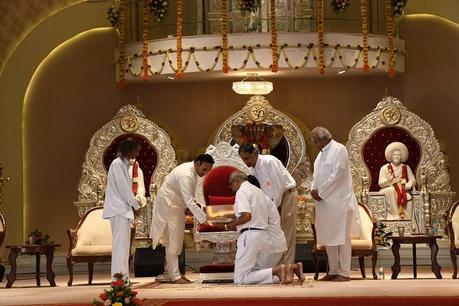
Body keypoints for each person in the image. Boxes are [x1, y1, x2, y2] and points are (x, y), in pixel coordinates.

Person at [226, 171, 304, 285]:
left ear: (236, 181)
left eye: (231, 185)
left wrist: (230, 225)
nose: (232, 189)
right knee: (257, 273)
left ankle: (277, 270)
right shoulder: (261, 193)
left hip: (249, 236)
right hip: (265, 237)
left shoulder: (242, 191)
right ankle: (290, 268)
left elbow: (247, 216)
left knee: (240, 279)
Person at [150, 154, 215, 284]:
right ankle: (175, 276)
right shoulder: (186, 174)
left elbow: (192, 198)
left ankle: (171, 273)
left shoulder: (191, 171)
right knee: (173, 241)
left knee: (174, 240)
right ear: (197, 164)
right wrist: (205, 220)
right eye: (204, 169)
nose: (206, 173)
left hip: (175, 206)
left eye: (208, 170)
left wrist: (204, 210)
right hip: (170, 206)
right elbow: (189, 201)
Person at [310, 127, 361, 282]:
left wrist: (321, 191)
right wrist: (313, 189)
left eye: (315, 140)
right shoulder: (320, 155)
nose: (314, 144)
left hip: (340, 201)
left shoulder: (339, 149)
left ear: (325, 139)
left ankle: (344, 273)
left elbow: (337, 175)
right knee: (329, 237)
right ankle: (333, 271)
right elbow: (316, 176)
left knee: (342, 237)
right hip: (324, 203)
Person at [238, 144, 298, 265]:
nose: (246, 162)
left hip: (286, 196)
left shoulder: (269, 161)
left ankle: (288, 267)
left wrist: (274, 208)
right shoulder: (252, 170)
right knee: (276, 233)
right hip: (273, 203)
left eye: (247, 158)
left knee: (287, 233)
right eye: (243, 159)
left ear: (255, 154)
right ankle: (279, 266)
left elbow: (279, 187)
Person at [102, 138, 142, 281]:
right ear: (128, 149)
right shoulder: (117, 164)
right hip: (119, 210)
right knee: (120, 247)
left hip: (122, 210)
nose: (137, 153)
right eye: (136, 150)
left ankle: (122, 279)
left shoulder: (124, 165)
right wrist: (135, 206)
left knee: (124, 248)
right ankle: (119, 280)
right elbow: (124, 189)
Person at [378, 142, 416, 220]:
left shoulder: (406, 167)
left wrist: (410, 183)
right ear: (391, 156)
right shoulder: (385, 168)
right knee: (391, 190)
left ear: (401, 156)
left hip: (402, 190)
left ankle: (408, 221)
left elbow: (413, 180)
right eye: (395, 155)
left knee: (408, 198)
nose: (396, 157)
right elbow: (380, 184)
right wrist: (388, 180)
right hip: (387, 189)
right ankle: (395, 216)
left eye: (398, 155)